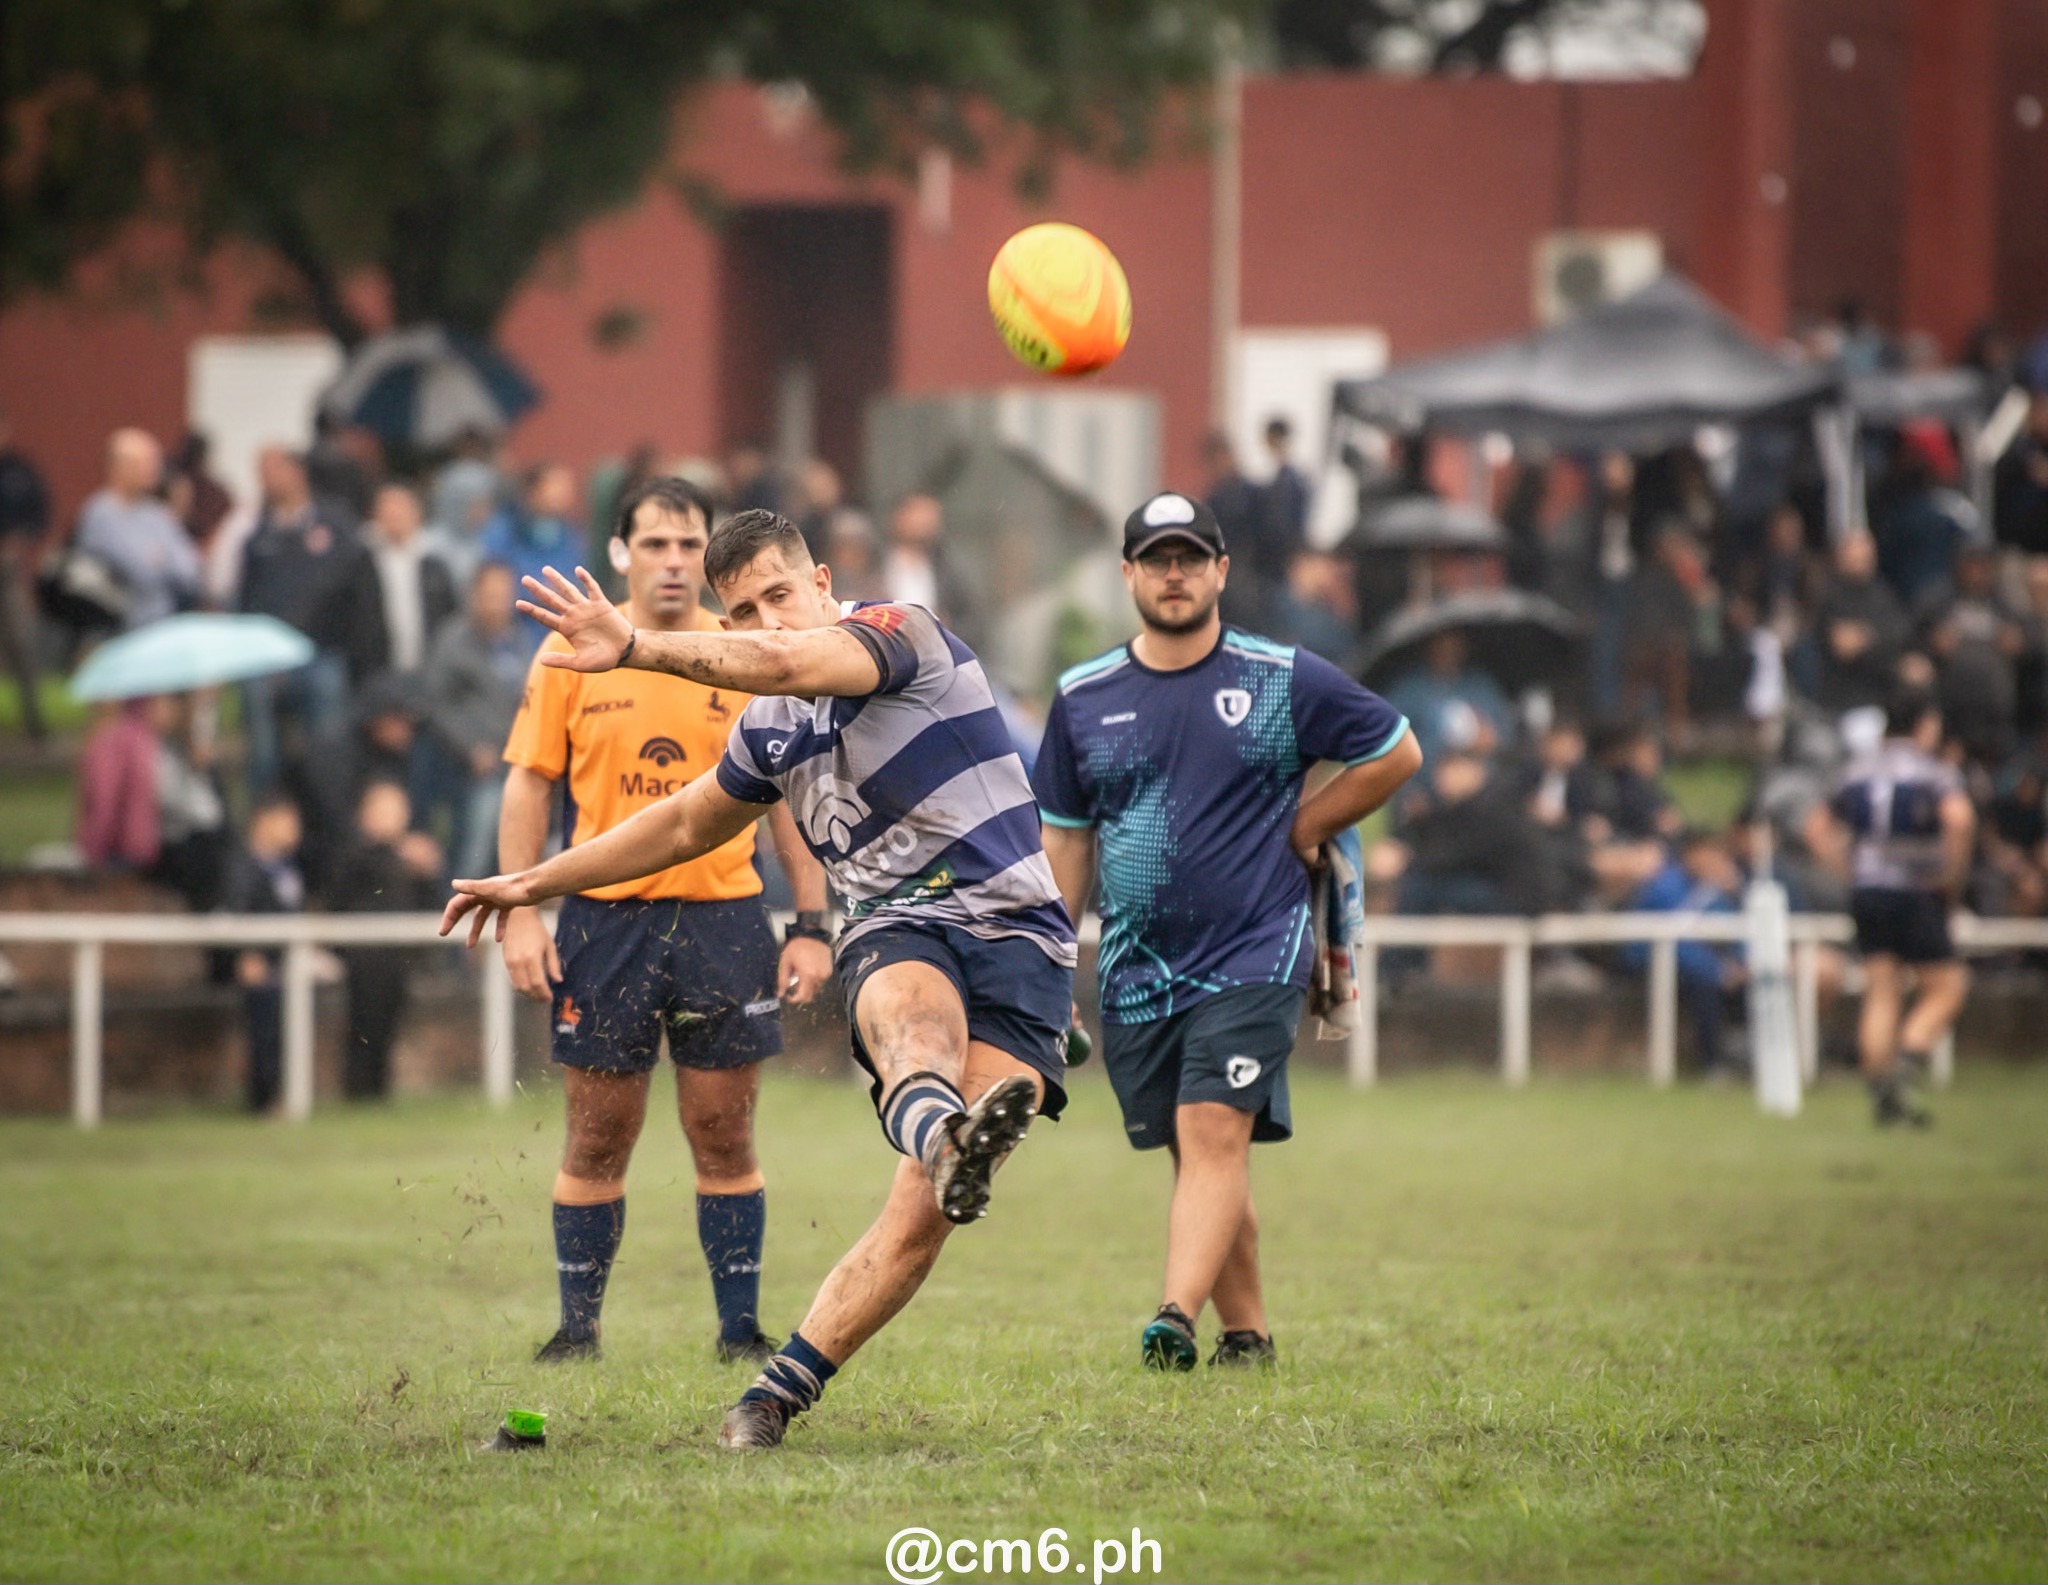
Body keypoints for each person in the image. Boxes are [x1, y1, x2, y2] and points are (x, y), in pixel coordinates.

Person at [441, 506, 1077, 1452]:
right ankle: (945, 1136)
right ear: (725, 623)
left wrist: (634, 648)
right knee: (911, 1018)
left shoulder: (901, 633)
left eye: (782, 593)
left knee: (921, 1216)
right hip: (901, 927)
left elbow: (788, 663)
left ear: (822, 581)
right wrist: (533, 881)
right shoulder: (767, 730)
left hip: (1021, 936)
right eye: (743, 610)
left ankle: (775, 1389)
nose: (769, 622)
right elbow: (683, 823)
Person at [1031, 492, 1419, 1369]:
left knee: (1212, 1130)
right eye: (1158, 559)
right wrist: (1051, 971)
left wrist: (1311, 825)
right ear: (1128, 573)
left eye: (1192, 558)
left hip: (1257, 947)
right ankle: (1250, 1335)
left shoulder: (1281, 676)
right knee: (1203, 1151)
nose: (1175, 574)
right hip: (1136, 967)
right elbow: (1065, 840)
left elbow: (1395, 750)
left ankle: (1174, 1315)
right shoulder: (1082, 697)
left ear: (1222, 572)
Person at [493, 479, 833, 1368]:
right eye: (656, 544)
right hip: (605, 924)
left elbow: (787, 799)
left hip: (724, 918)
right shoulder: (569, 652)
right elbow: (529, 780)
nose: (675, 561)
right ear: (621, 553)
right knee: (599, 1132)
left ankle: (738, 1331)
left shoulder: (744, 650)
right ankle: (576, 1331)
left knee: (724, 1129)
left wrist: (810, 919)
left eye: (690, 544)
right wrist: (522, 910)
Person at [1806, 688, 1975, 1128]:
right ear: (1925, 724)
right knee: (1947, 986)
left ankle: (1882, 1095)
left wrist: (1850, 870)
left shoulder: (1855, 773)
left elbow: (1816, 827)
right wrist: (1950, 876)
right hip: (1917, 889)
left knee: (1881, 988)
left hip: (1868, 893)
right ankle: (1908, 1057)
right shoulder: (1934, 774)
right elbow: (1959, 820)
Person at [237, 447, 386, 796]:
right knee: (263, 748)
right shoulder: (258, 535)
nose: (266, 478)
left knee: (328, 745)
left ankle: (329, 819)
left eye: (273, 468)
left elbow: (351, 589)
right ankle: (268, 816)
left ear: (297, 471)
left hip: (322, 651)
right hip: (267, 659)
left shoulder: (334, 525)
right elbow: (247, 600)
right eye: (260, 470)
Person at [330, 781, 443, 1100]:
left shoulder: (410, 857)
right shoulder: (352, 850)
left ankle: (379, 1091)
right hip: (364, 956)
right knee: (362, 1026)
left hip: (399, 957)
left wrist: (428, 872)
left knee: (388, 1026)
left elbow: (431, 905)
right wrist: (395, 855)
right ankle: (357, 1091)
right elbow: (340, 894)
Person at [422, 563, 526, 880]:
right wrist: (470, 747)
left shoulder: (518, 641)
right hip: (468, 764)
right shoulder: (453, 641)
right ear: (474, 595)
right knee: (477, 835)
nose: (496, 602)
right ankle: (461, 899)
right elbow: (436, 704)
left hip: (517, 758)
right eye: (489, 594)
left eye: (502, 594)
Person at [222, 795, 305, 1114]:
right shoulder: (241, 864)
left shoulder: (287, 866)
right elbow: (235, 912)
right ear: (263, 820)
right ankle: (264, 1100)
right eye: (287, 819)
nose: (294, 829)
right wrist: (245, 954)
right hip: (257, 965)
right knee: (267, 1020)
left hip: (287, 962)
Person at [75, 428, 201, 631]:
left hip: (160, 624)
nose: (155, 468)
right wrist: (160, 559)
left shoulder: (156, 514)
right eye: (146, 462)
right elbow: (141, 569)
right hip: (115, 628)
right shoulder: (101, 513)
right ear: (119, 466)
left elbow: (190, 570)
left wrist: (159, 558)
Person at [482, 463, 583, 655]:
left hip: (561, 640)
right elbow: (493, 585)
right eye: (554, 485)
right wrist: (539, 592)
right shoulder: (503, 531)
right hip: (513, 640)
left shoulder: (572, 535)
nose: (564, 493)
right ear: (533, 491)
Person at [365, 483, 458, 683]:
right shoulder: (362, 565)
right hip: (376, 673)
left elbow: (450, 615)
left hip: (429, 672)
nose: (395, 514)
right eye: (388, 508)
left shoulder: (435, 565)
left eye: (402, 507)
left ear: (417, 513)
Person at [0, 409, 51, 738]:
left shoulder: (20, 471)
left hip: (9, 568)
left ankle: (35, 725)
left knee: (22, 640)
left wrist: (20, 541)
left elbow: (40, 512)